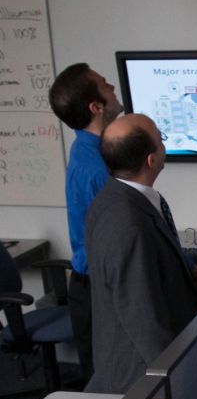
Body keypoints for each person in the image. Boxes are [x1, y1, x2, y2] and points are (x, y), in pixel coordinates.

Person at [85, 114, 197, 393]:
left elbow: (164, 259)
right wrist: (178, 381)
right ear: (151, 160)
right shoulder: (129, 226)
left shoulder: (116, 198)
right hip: (140, 378)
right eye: (161, 138)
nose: (164, 143)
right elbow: (144, 319)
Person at [48, 63, 123, 380]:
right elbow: (120, 239)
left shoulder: (96, 152)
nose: (114, 88)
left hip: (98, 284)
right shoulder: (95, 168)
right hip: (98, 291)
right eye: (106, 85)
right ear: (96, 107)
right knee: (106, 388)